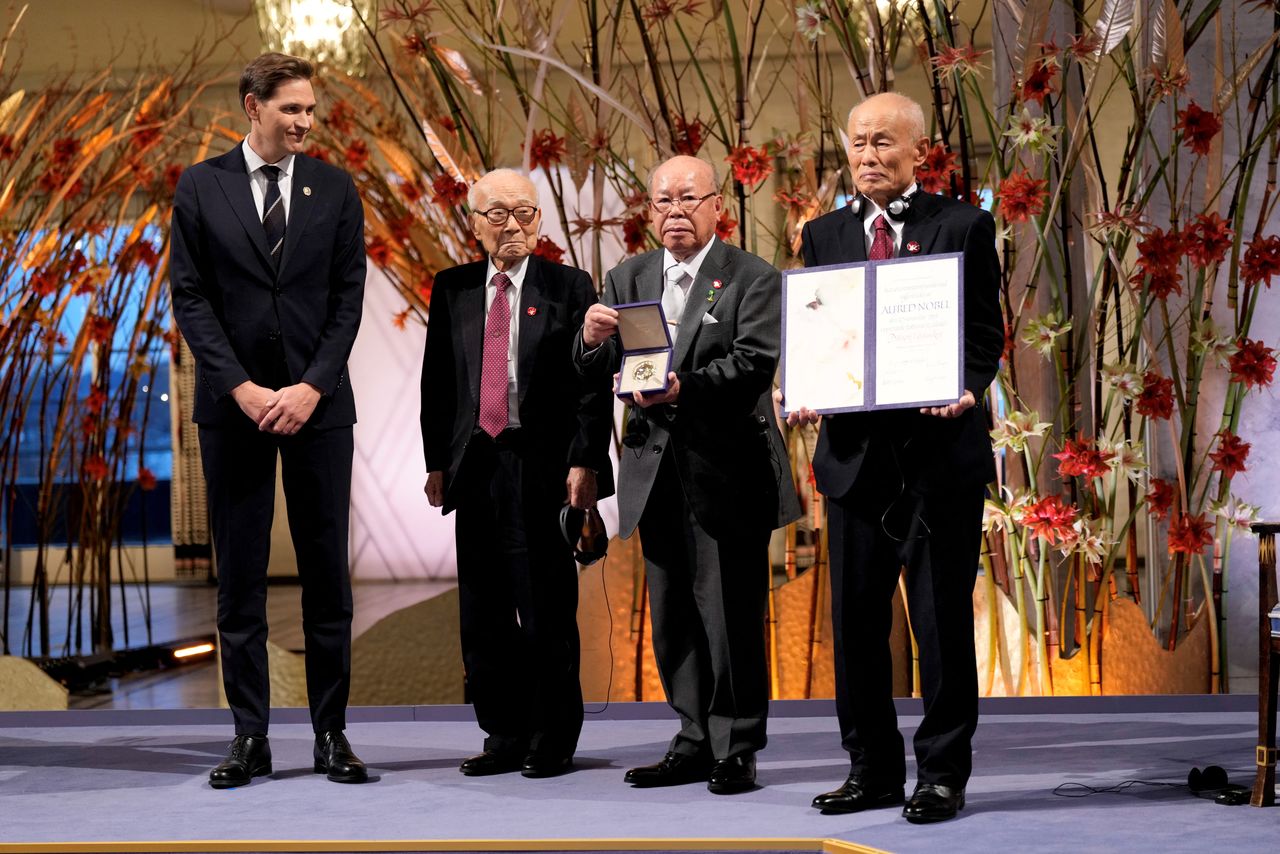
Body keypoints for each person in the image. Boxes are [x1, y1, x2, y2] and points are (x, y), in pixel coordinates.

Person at [783, 92, 1003, 823]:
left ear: (918, 151)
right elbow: (819, 330)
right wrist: (803, 384)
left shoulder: (964, 224)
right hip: (851, 461)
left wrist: (968, 389)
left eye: (884, 142)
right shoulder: (822, 234)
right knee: (855, 625)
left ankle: (941, 773)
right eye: (858, 142)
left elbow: (982, 334)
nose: (869, 155)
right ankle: (870, 768)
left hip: (938, 459)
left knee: (941, 623)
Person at [169, 53, 368, 788]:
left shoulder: (337, 188)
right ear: (251, 107)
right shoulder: (201, 186)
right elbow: (190, 298)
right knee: (240, 583)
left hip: (320, 410)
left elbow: (350, 297)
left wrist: (313, 386)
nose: (305, 122)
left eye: (310, 110)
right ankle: (248, 736)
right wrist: (243, 389)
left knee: (327, 580)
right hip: (234, 413)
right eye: (291, 109)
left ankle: (330, 733)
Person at [575, 155, 800, 795]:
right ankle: (693, 737)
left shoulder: (750, 276)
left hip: (727, 470)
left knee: (730, 614)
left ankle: (737, 745)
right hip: (654, 471)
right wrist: (589, 340)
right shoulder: (628, 275)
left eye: (687, 199)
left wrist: (680, 389)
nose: (675, 211)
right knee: (672, 615)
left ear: (715, 205)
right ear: (650, 210)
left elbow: (753, 365)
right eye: (663, 201)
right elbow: (595, 373)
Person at [421, 168, 614, 779]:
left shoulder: (568, 285)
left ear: (539, 221)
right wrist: (435, 461)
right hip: (475, 464)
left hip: (542, 466)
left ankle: (553, 736)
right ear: (474, 224)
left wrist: (586, 461)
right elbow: (438, 383)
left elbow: (590, 386)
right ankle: (503, 732)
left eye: (525, 213)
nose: (513, 225)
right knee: (482, 613)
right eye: (498, 214)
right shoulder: (450, 288)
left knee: (546, 609)